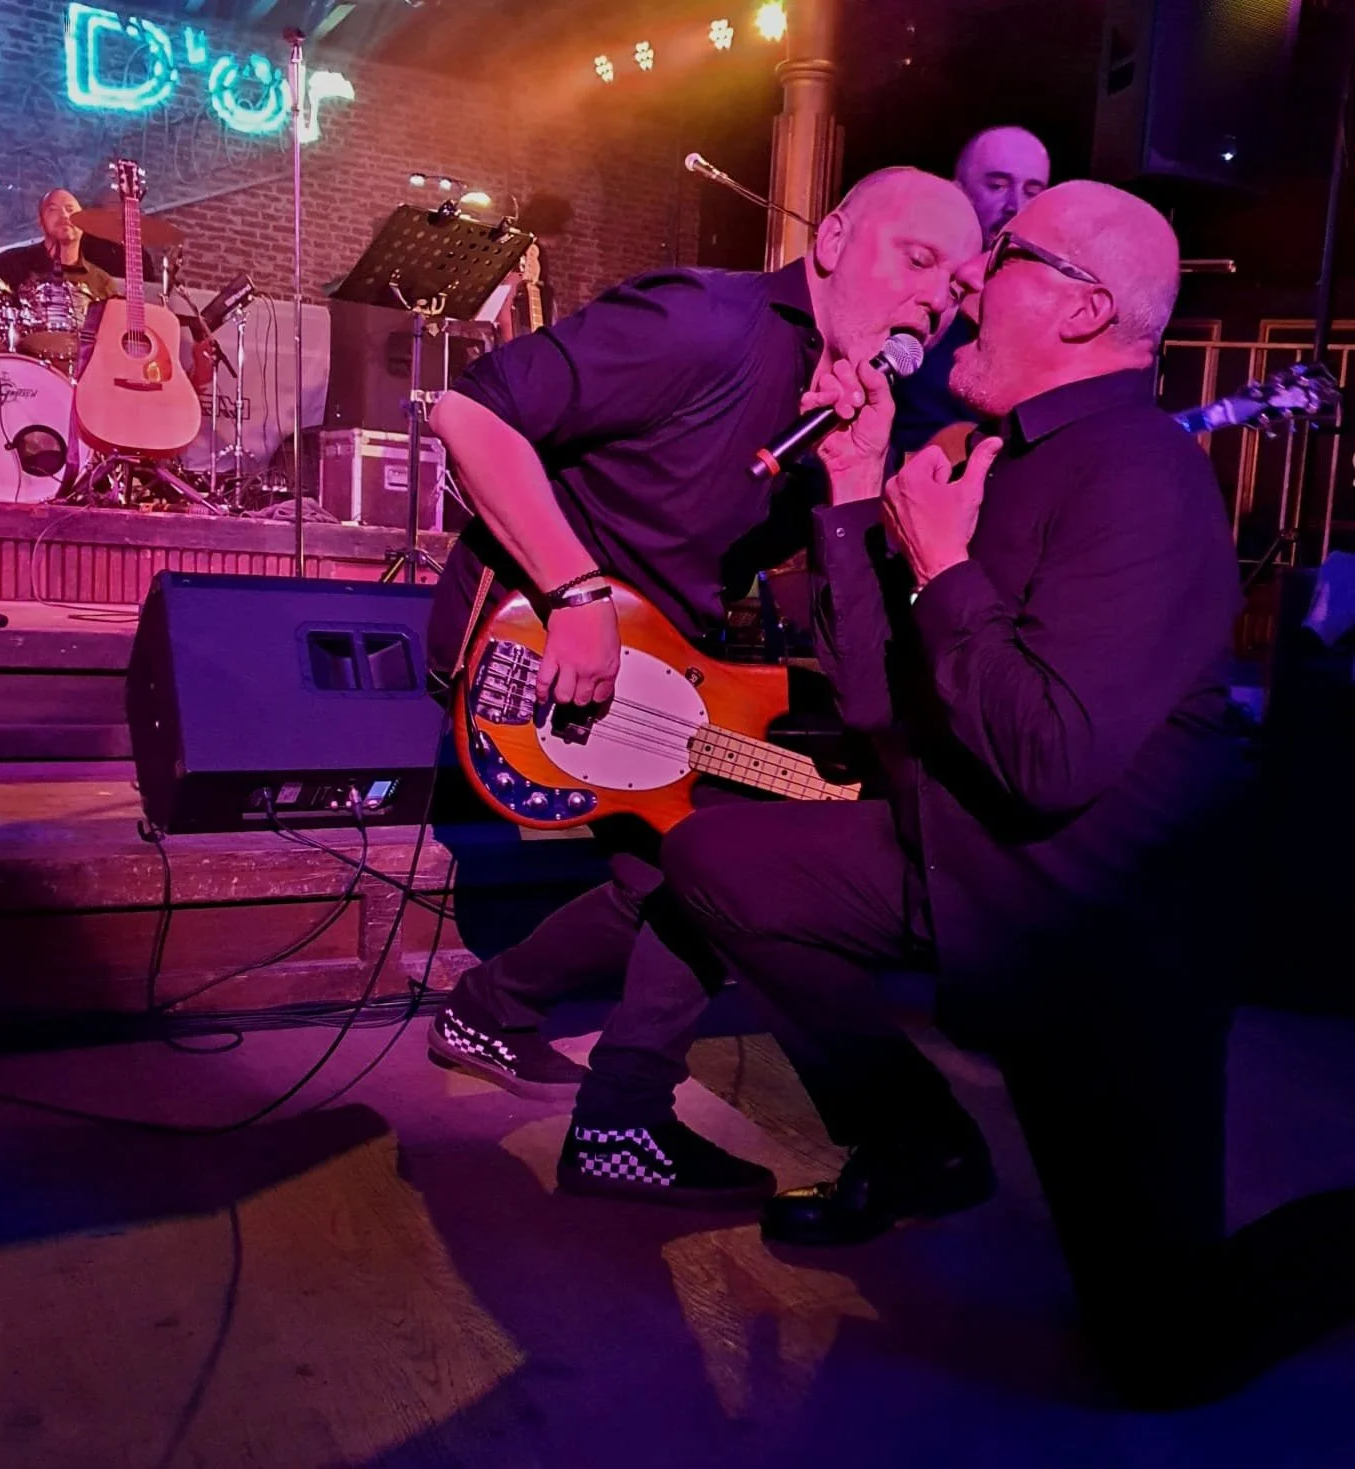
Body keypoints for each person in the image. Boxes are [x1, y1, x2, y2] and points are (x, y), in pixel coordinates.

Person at [655, 179, 1355, 1407]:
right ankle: (920, 1136)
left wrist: (937, 563)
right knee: (723, 861)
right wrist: (860, 493)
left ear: (1084, 309)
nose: (968, 283)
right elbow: (880, 708)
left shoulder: (1138, 479)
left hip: (1101, 950)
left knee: (1162, 1349)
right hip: (970, 866)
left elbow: (1047, 753)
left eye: (1006, 257)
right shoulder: (995, 458)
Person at [425, 169, 982, 1205]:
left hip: (661, 660)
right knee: (725, 850)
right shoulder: (704, 323)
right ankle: (616, 1114)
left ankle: (496, 1013)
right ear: (834, 238)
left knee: (702, 858)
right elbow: (468, 414)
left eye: (953, 290)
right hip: (529, 640)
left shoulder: (841, 399)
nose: (933, 300)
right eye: (917, 260)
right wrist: (573, 587)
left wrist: (854, 484)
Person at [891, 125, 1051, 456]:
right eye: (997, 185)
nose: (1015, 205)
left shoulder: (1049, 308)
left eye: (1033, 191)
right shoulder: (909, 286)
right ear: (958, 192)